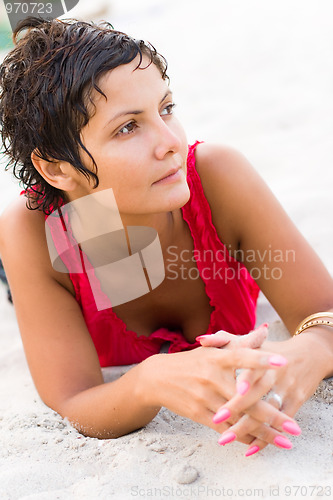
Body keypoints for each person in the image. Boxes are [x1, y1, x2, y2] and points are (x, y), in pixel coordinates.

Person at [0, 17, 332, 457]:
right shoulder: (31, 230)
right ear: (57, 168)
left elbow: (323, 317)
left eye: (167, 108)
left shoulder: (216, 177)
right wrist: (150, 379)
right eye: (127, 127)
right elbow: (75, 401)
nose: (170, 142)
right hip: (61, 238)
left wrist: (297, 358)